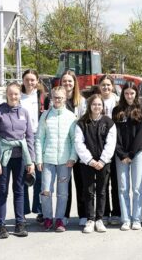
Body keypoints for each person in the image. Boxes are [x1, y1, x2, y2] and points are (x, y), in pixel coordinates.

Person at [0, 82, 36, 239]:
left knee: (20, 190)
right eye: (11, 94)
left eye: (16, 94)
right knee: (3, 190)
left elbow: (29, 137)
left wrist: (31, 161)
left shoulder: (24, 112)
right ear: (6, 94)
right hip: (4, 157)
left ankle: (20, 223)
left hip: (21, 157)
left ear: (19, 94)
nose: (13, 96)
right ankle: (1, 225)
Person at [35, 86, 78, 232]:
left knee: (63, 192)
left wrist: (72, 157)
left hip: (65, 161)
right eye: (55, 97)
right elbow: (39, 138)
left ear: (65, 98)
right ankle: (48, 218)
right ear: (51, 98)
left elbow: (74, 140)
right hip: (48, 160)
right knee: (46, 190)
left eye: (60, 97)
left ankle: (60, 219)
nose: (57, 100)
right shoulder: (45, 115)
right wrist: (38, 159)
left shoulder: (71, 116)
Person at [74, 94, 117, 234]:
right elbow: (78, 143)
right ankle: (90, 219)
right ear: (89, 106)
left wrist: (103, 160)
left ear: (103, 107)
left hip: (104, 162)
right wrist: (90, 161)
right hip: (87, 163)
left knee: (102, 191)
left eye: (99, 104)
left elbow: (111, 144)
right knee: (88, 191)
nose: (97, 107)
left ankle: (99, 219)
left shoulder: (109, 122)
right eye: (94, 104)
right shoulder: (81, 123)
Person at [112, 83, 142, 231]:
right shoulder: (117, 110)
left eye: (132, 93)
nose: (129, 96)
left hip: (138, 153)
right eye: (126, 93)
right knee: (123, 188)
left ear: (136, 94)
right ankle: (126, 219)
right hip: (120, 155)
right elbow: (115, 135)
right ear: (123, 94)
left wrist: (131, 154)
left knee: (137, 188)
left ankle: (136, 218)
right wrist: (121, 154)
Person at [21, 69, 50, 224]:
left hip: (39, 139)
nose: (30, 83)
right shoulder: (18, 96)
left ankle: (39, 210)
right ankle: (22, 211)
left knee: (39, 175)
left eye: (33, 80)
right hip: (22, 139)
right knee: (23, 176)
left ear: (37, 80)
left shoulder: (43, 97)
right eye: (27, 79)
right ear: (23, 80)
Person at [60, 70, 88, 227]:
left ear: (74, 83)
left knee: (81, 182)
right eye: (65, 81)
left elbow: (84, 124)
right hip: (63, 147)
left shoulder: (82, 101)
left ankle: (83, 214)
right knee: (65, 183)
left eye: (70, 81)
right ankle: (64, 214)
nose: (67, 84)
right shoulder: (56, 100)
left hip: (78, 146)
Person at [99, 74, 121, 226]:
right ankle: (104, 212)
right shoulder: (95, 101)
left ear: (112, 86)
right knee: (103, 182)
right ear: (99, 86)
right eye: (103, 85)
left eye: (108, 85)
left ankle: (117, 212)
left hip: (116, 145)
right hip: (100, 145)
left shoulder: (118, 102)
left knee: (116, 181)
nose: (106, 87)